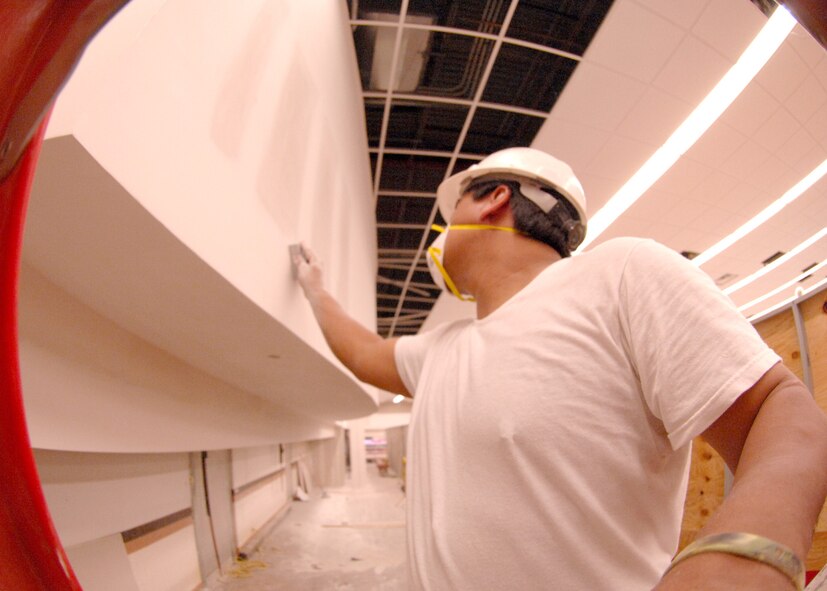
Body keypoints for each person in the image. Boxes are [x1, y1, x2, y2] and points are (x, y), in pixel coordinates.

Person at [293, 147, 827, 590]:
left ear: (493, 199)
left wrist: (741, 557)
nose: (441, 231)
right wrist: (315, 291)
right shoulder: (439, 351)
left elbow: (782, 417)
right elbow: (361, 352)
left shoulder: (620, 277)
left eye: (450, 209)